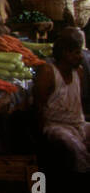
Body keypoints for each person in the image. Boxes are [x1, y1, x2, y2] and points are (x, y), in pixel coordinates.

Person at [33, 28, 90, 174]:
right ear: (66, 53)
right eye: (77, 53)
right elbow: (38, 106)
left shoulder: (79, 72)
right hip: (56, 126)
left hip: (79, 124)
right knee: (71, 145)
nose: (80, 57)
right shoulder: (48, 72)